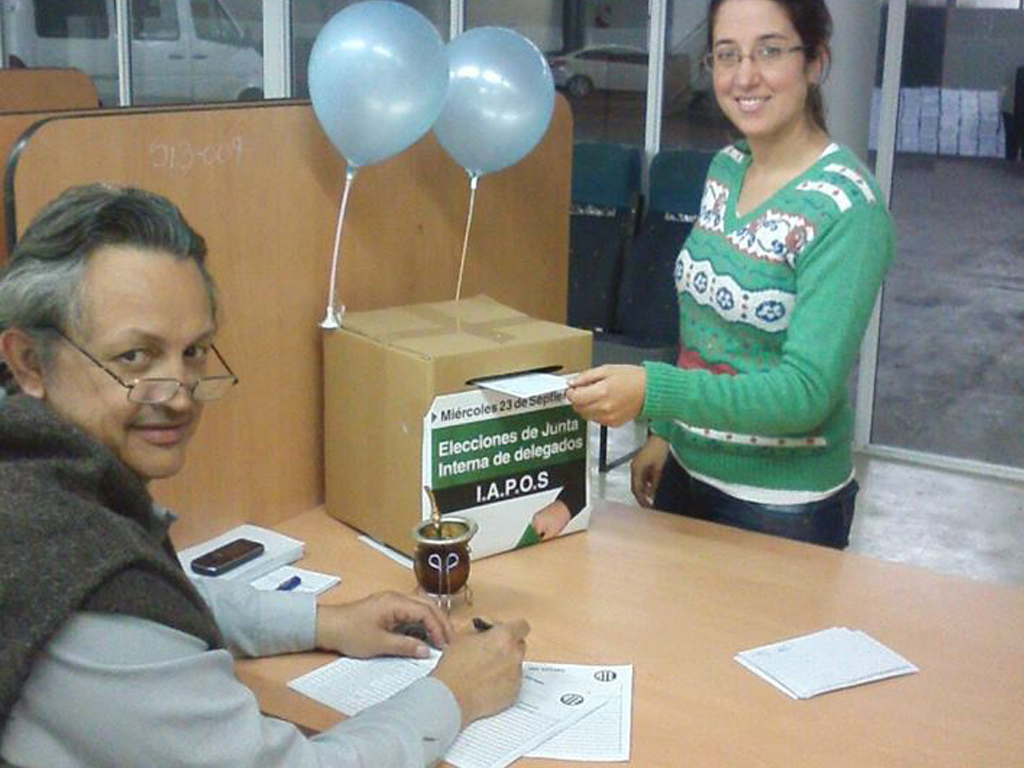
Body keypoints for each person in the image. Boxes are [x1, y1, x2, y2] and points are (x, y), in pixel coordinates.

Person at [0, 184, 530, 767]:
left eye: (194, 352)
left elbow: (153, 601)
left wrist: (323, 621)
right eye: (135, 358)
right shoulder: (63, 561)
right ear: (29, 362)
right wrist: (454, 693)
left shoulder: (37, 491)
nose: (180, 396)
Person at [566, 0, 895, 549]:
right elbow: (701, 329)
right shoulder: (726, 168)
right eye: (726, 54)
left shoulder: (847, 208)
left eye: (770, 51)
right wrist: (665, 433)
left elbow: (805, 393)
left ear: (815, 62)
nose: (745, 76)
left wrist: (653, 393)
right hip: (685, 474)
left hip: (781, 508)